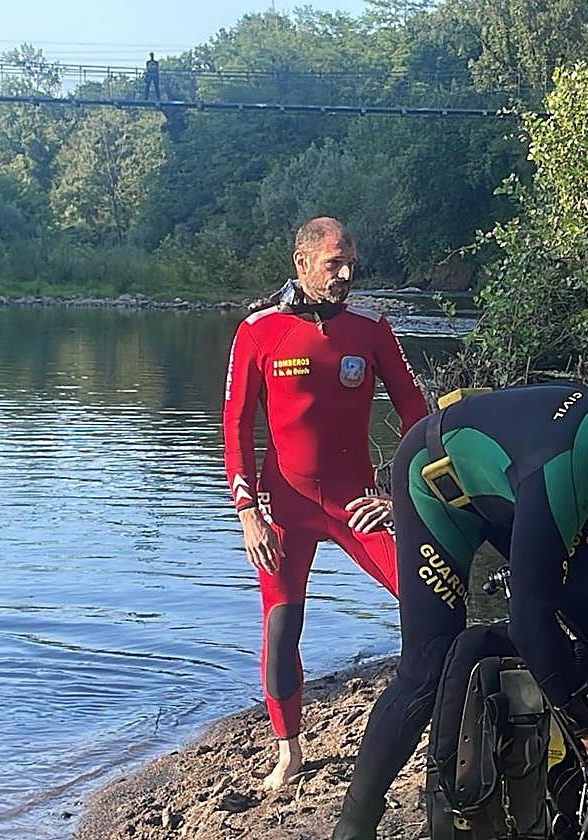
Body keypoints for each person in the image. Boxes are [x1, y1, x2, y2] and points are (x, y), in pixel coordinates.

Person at [331, 382, 588, 840]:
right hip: (441, 484)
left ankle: (573, 811)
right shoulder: (567, 471)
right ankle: (353, 826)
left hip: (518, 484)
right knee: (426, 665)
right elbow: (530, 619)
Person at [222, 217, 427, 790]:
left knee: (427, 597)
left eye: (349, 263)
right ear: (302, 263)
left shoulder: (371, 328)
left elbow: (416, 412)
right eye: (334, 262)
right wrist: (247, 512)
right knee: (282, 630)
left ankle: (436, 707)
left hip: (358, 501)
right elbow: (235, 428)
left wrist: (397, 491)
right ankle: (288, 750)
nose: (345, 273)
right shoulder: (260, 331)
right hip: (282, 508)